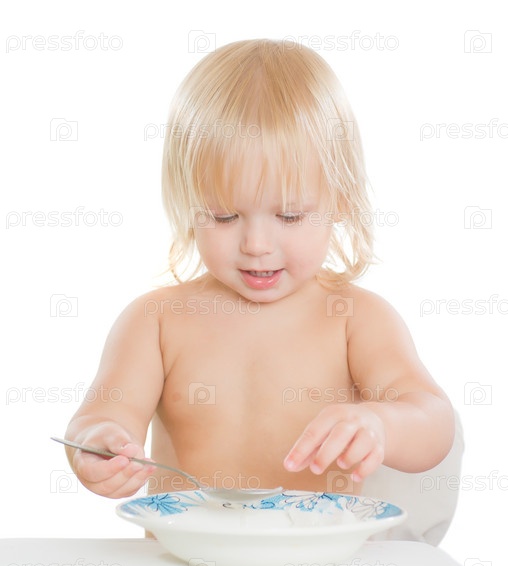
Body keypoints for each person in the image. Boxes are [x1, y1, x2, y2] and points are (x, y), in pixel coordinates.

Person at [65, 39, 454, 500]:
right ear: (188, 203)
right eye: (224, 216)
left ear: (341, 201)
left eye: (289, 216)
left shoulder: (354, 319)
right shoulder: (156, 321)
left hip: (319, 546)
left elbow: (434, 421)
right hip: (186, 545)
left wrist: (382, 423)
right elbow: (101, 417)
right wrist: (100, 447)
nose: (256, 245)